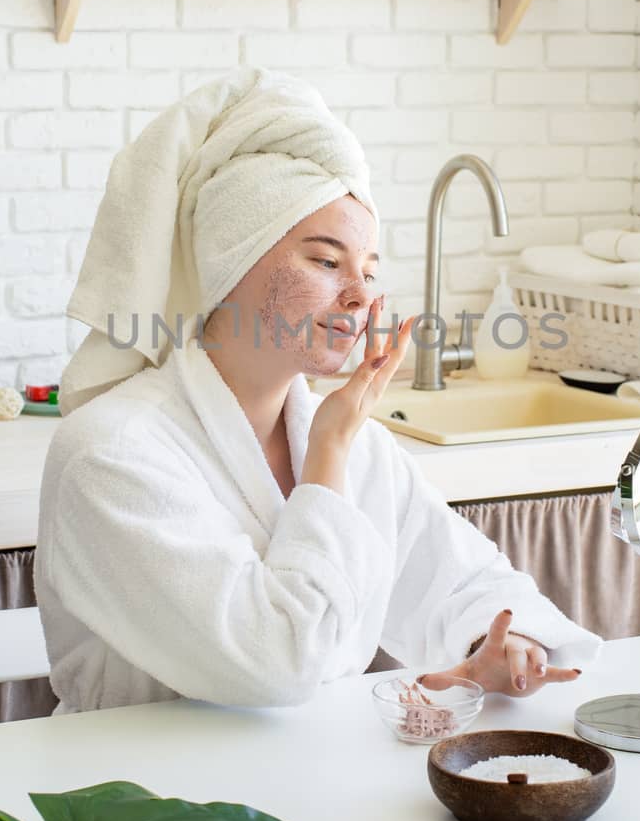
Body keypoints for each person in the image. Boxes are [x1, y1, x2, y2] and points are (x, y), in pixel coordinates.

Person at [36, 67, 600, 714]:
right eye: (327, 262)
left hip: (311, 786)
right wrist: (328, 452)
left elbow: (459, 580)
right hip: (146, 801)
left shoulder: (359, 446)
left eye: (369, 270)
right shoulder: (112, 454)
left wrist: (502, 641)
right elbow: (278, 663)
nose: (360, 295)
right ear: (232, 261)